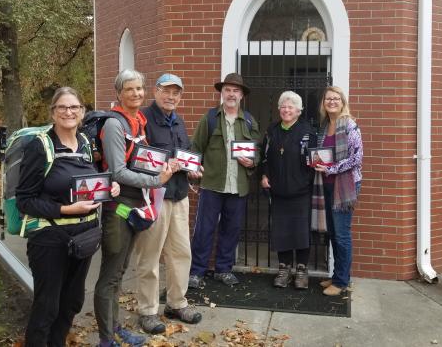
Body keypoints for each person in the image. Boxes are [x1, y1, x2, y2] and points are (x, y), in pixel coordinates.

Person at [16, 87, 121, 347]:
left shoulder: (85, 144)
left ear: (82, 112)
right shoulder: (39, 146)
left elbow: (87, 185)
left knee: (72, 302)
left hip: (83, 237)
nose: (68, 112)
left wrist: (109, 188)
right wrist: (65, 210)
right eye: (62, 107)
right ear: (53, 113)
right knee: (47, 306)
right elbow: (25, 200)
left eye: (74, 107)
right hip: (50, 238)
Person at [94, 70, 173, 347]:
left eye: (140, 88)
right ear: (118, 93)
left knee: (120, 271)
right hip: (118, 206)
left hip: (135, 202)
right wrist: (156, 179)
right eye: (130, 89)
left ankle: (114, 329)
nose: (137, 94)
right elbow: (117, 172)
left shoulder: (138, 120)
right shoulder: (116, 125)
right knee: (110, 275)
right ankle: (106, 339)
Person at [132, 73, 203, 334]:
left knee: (181, 253)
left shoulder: (179, 122)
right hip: (155, 197)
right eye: (166, 91)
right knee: (149, 256)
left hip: (179, 196)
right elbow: (138, 160)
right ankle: (148, 310)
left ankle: (176, 303)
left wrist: (192, 170)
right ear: (156, 91)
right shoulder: (144, 120)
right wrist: (161, 168)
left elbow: (184, 158)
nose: (171, 96)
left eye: (176, 92)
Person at [188, 73, 261, 289]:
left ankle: (223, 270)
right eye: (227, 90)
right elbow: (196, 148)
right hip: (212, 184)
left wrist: (252, 162)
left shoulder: (249, 121)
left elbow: (258, 151)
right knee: (204, 229)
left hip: (238, 186)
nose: (231, 94)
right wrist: (193, 168)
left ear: (241, 96)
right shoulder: (209, 118)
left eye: (235, 90)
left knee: (231, 229)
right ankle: (196, 272)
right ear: (222, 93)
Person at [260, 91, 316, 289]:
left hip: (301, 191)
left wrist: (305, 181)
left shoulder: (308, 132)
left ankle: (301, 270)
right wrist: (265, 175)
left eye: (290, 107)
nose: (286, 110)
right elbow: (264, 157)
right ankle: (284, 269)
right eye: (283, 106)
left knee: (300, 231)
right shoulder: (271, 130)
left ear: (298, 111)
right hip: (278, 192)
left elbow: (315, 162)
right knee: (281, 231)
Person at [312, 86, 363, 296]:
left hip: (346, 185)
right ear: (323, 104)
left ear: (342, 102)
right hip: (328, 183)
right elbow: (323, 154)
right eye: (328, 99)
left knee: (341, 234)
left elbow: (356, 158)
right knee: (333, 233)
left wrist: (331, 168)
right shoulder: (325, 126)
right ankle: (336, 275)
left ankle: (342, 281)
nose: (331, 102)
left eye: (335, 99)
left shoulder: (350, 125)